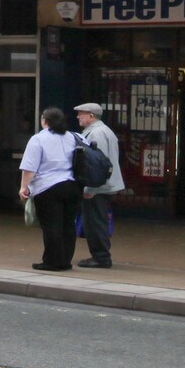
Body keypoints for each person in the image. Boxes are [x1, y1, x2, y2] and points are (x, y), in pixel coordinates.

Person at [19, 108, 83, 272]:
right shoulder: (75, 137)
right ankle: (65, 260)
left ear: (44, 121)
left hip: (47, 187)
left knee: (51, 226)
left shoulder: (38, 139)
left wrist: (24, 187)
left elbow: (29, 167)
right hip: (72, 185)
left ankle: (52, 261)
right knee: (68, 225)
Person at [74, 101, 123, 268]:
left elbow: (96, 165)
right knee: (97, 220)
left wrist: (90, 188)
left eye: (81, 113)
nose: (78, 116)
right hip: (104, 185)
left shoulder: (96, 134)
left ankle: (101, 257)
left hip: (98, 187)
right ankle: (100, 255)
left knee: (94, 222)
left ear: (91, 116)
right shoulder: (103, 131)